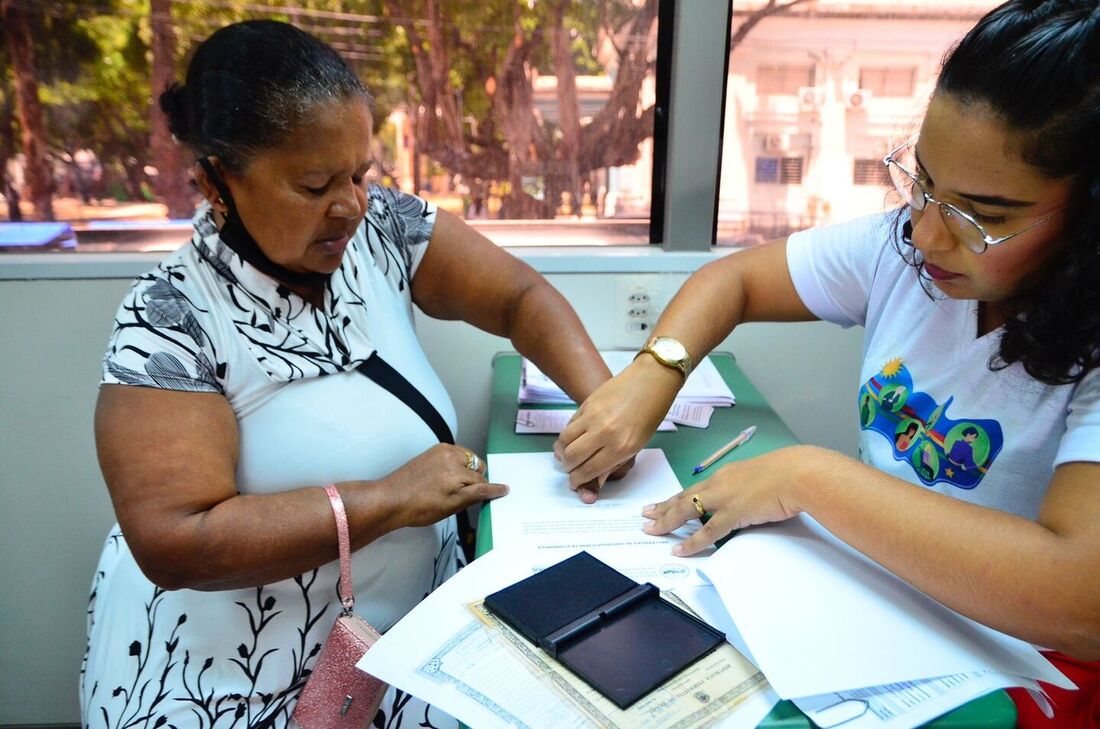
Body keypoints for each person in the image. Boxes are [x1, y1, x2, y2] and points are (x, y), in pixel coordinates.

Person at [554, 1, 1100, 724]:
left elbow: (1077, 596)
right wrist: (658, 369)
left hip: (1022, 678)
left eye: (983, 216)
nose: (930, 234)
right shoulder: (900, 252)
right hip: (888, 612)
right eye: (924, 183)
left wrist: (808, 475)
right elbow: (735, 279)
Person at [81, 20, 621, 728]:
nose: (351, 206)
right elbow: (176, 539)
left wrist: (610, 402)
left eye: (360, 173)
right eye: (314, 184)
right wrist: (388, 499)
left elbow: (519, 296)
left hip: (395, 649)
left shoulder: (383, 232)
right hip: (237, 687)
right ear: (219, 178)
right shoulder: (172, 318)